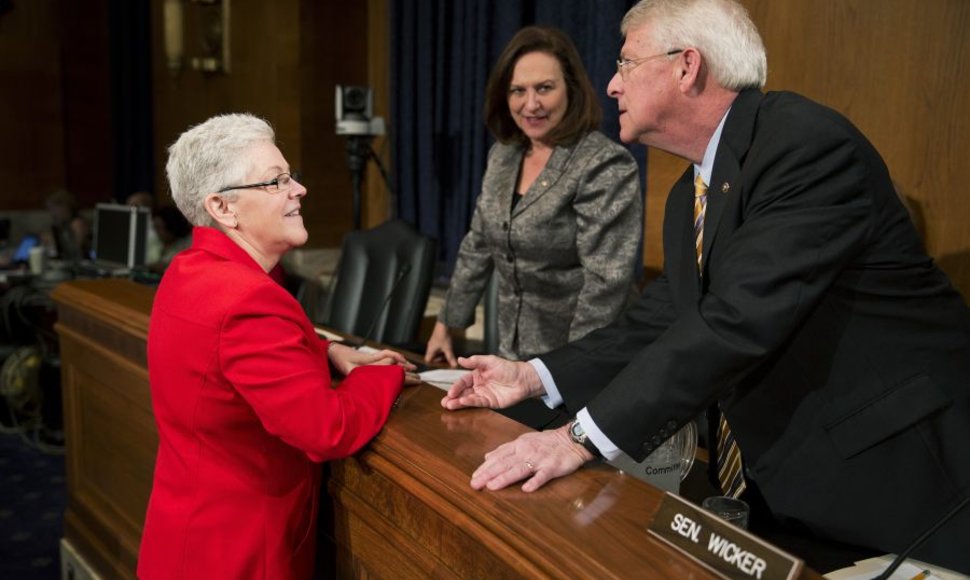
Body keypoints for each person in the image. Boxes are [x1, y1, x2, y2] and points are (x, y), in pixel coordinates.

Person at [441, 0, 970, 573]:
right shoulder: (687, 196)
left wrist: (578, 439)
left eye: (625, 63)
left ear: (686, 66)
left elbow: (736, 320)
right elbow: (663, 318)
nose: (613, 85)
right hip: (795, 484)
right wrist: (535, 373)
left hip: (899, 481)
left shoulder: (804, 145)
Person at [138, 113, 415, 579]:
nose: (298, 189)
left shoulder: (188, 270)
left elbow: (226, 354)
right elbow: (327, 430)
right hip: (239, 554)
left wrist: (326, 351)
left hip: (183, 537)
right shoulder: (250, 299)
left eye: (291, 177)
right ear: (224, 208)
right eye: (275, 181)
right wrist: (380, 374)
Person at [424, 26, 642, 369]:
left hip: (587, 361)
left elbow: (605, 284)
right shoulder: (503, 155)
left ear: (570, 89)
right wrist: (446, 324)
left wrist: (567, 372)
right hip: (513, 356)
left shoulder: (604, 164)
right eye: (517, 90)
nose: (531, 104)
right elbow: (478, 245)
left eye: (544, 88)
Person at [43, 189, 90, 261]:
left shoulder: (77, 223)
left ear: (64, 207)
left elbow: (75, 251)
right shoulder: (63, 224)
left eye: (53, 209)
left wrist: (53, 242)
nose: (52, 214)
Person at [147, 204, 192, 272]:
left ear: (171, 227)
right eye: (155, 227)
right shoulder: (153, 241)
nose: (156, 231)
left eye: (159, 227)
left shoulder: (188, 245)